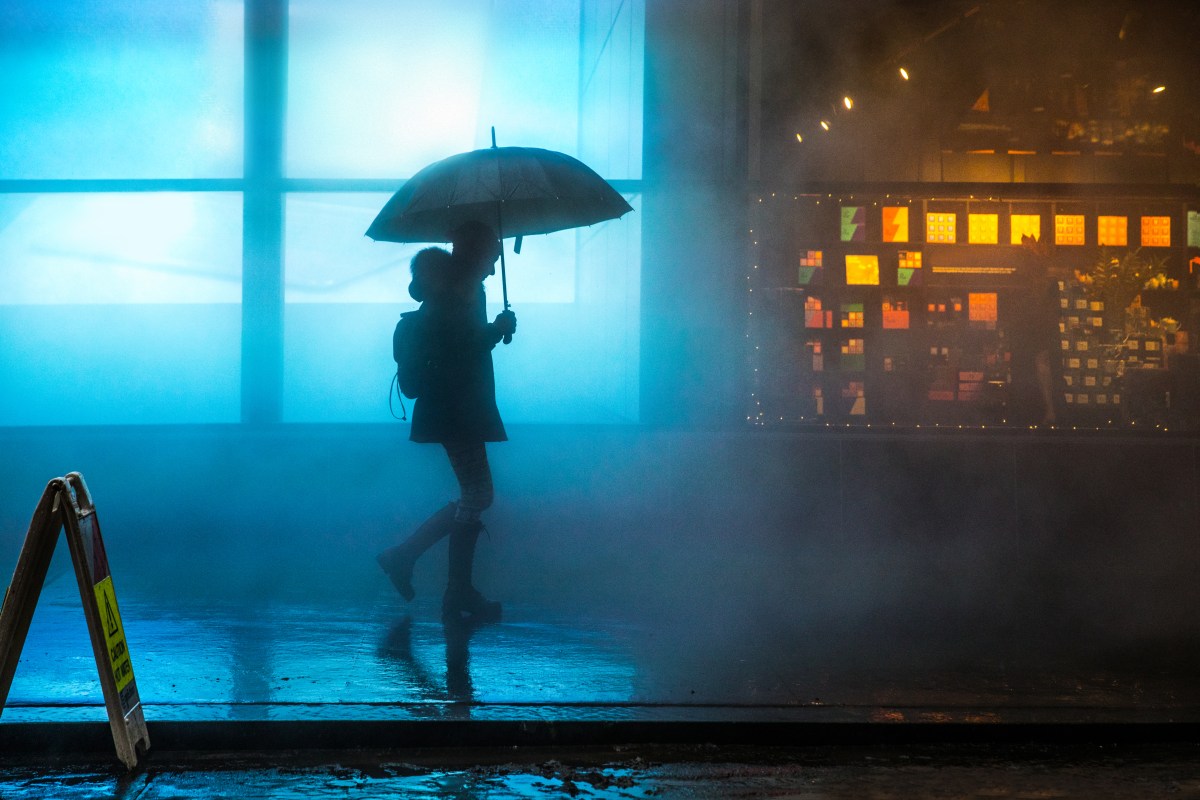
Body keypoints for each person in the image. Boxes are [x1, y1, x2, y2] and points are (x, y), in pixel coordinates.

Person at [377, 221, 517, 624]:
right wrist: (495, 331)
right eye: (492, 252)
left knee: (475, 493)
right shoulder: (461, 291)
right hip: (457, 406)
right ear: (476, 251)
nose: (495, 262)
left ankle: (418, 566)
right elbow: (459, 345)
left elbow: (458, 343)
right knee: (478, 494)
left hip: (453, 405)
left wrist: (493, 331)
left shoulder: (458, 287)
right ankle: (444, 582)